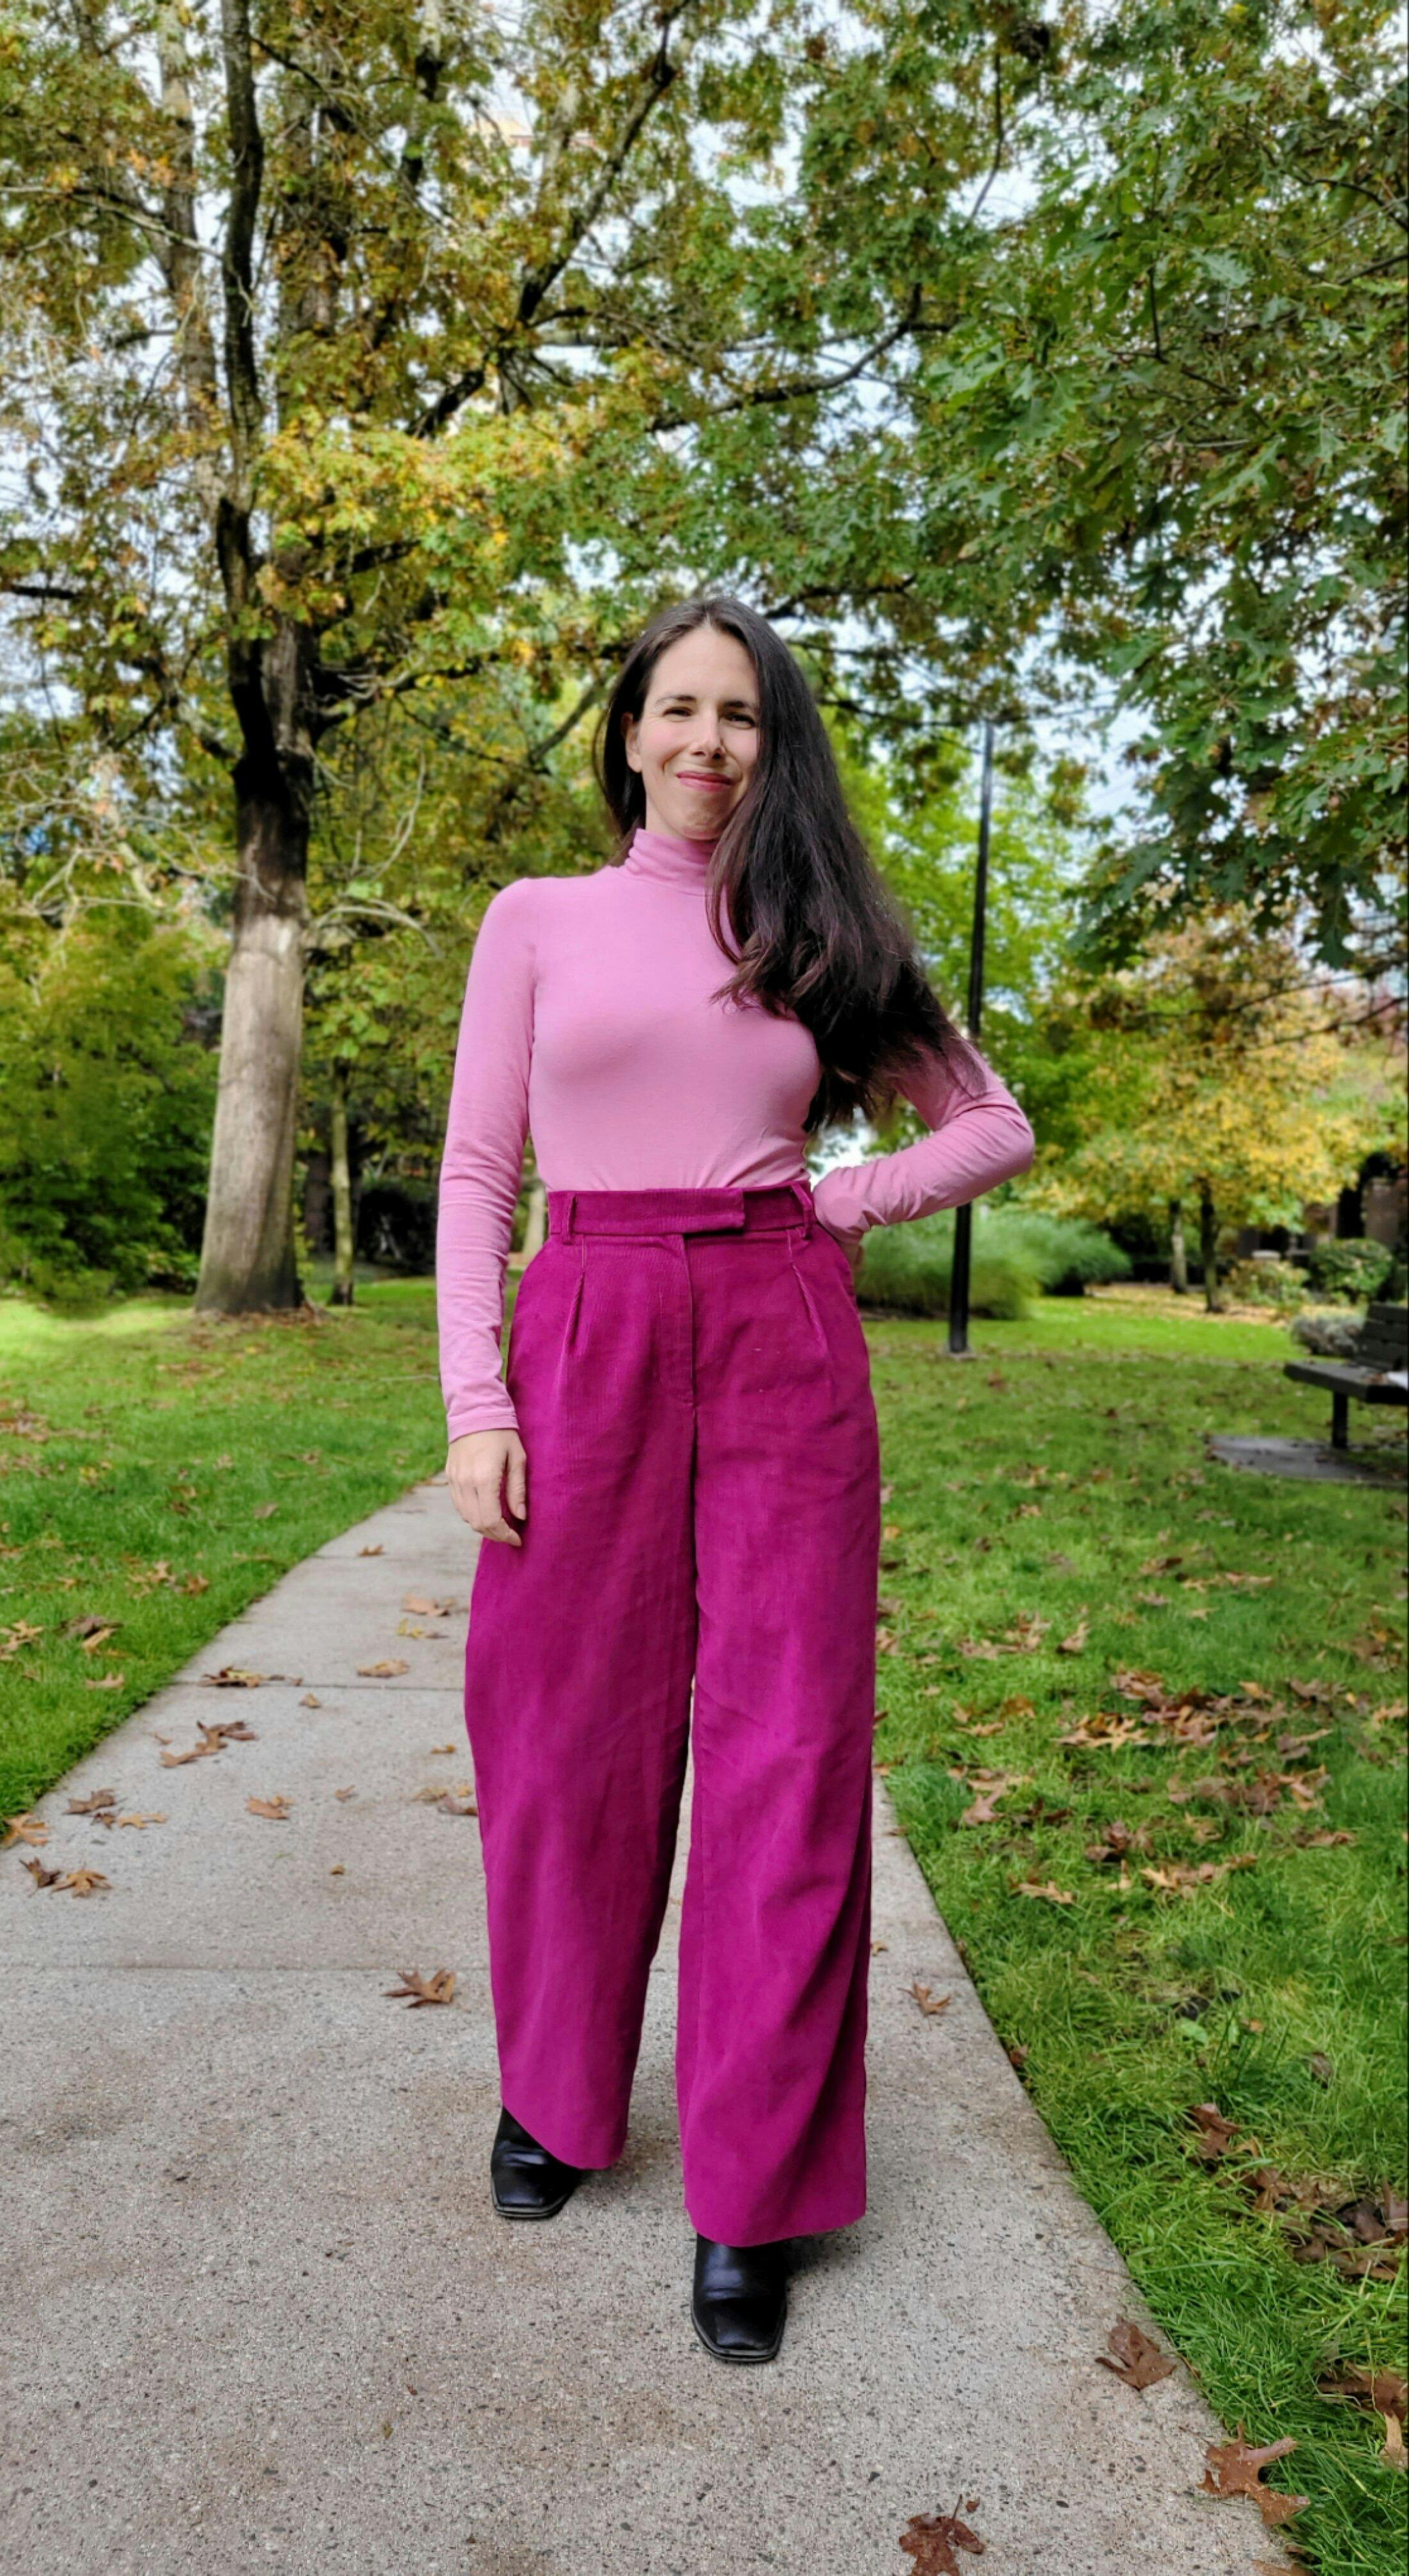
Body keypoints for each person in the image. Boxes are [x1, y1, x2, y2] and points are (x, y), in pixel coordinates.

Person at [436, 595, 1035, 2365]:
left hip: (779, 1332)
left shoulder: (816, 929)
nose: (708, 741)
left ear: (777, 747)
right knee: (563, 1738)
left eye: (744, 715)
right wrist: (476, 1400)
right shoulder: (537, 920)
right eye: (679, 708)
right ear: (628, 730)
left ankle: (753, 2197)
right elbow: (478, 1172)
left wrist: (838, 1201)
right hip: (587, 1323)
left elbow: (988, 1121)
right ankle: (555, 2098)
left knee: (786, 1751)